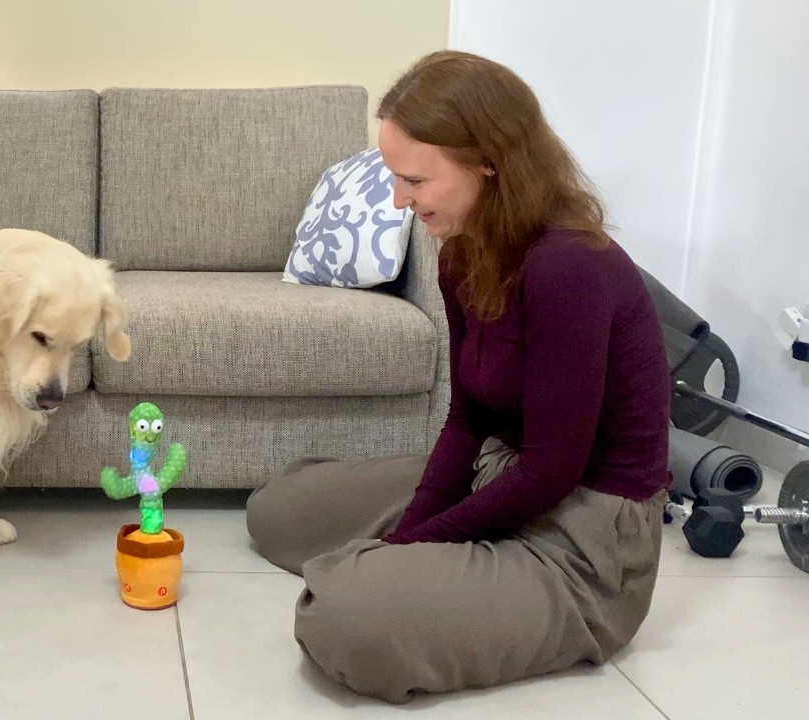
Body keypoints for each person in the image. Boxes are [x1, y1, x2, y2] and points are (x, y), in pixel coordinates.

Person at [246, 50, 672, 703]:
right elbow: (468, 418)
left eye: (414, 180)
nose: (398, 200)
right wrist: (414, 531)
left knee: (342, 623)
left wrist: (409, 547)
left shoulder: (570, 267)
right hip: (506, 473)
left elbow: (554, 470)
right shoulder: (462, 254)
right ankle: (404, 574)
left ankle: (393, 585)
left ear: (488, 160)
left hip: (585, 533)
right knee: (276, 513)